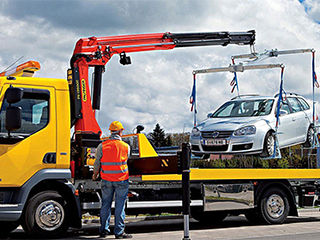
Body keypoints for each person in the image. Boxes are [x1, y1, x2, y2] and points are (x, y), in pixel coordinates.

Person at [93, 121, 132, 239]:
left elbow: (97, 162)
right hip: (121, 180)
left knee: (105, 204)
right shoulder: (126, 146)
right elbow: (127, 160)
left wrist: (95, 174)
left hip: (106, 180)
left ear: (110, 131)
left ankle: (104, 230)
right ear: (120, 131)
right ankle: (119, 232)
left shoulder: (102, 145)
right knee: (120, 205)